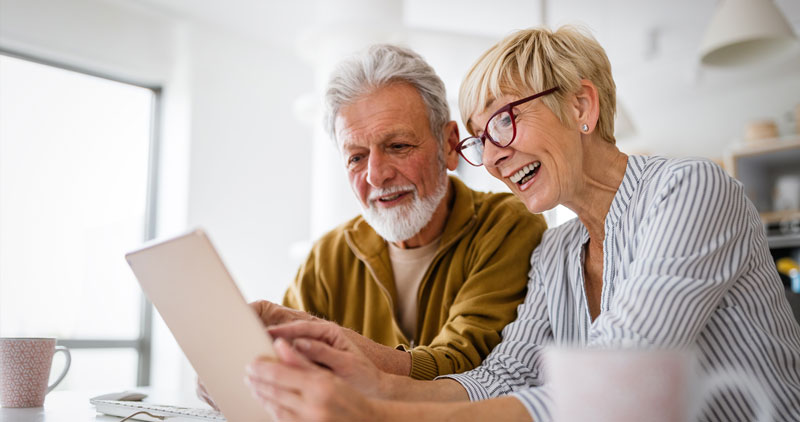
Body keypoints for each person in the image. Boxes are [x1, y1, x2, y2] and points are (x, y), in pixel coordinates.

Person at [243, 26, 800, 421]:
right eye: (481, 139)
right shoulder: (558, 250)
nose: (495, 156)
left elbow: (606, 392)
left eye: (504, 122)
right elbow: (502, 378)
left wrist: (377, 415)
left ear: (582, 107)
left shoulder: (689, 191)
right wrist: (375, 380)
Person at [248, 45, 546, 381]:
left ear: (449, 146)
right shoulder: (327, 258)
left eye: (399, 146)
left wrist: (324, 340)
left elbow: (465, 368)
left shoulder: (506, 225)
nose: (376, 175)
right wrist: (242, 374)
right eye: (356, 157)